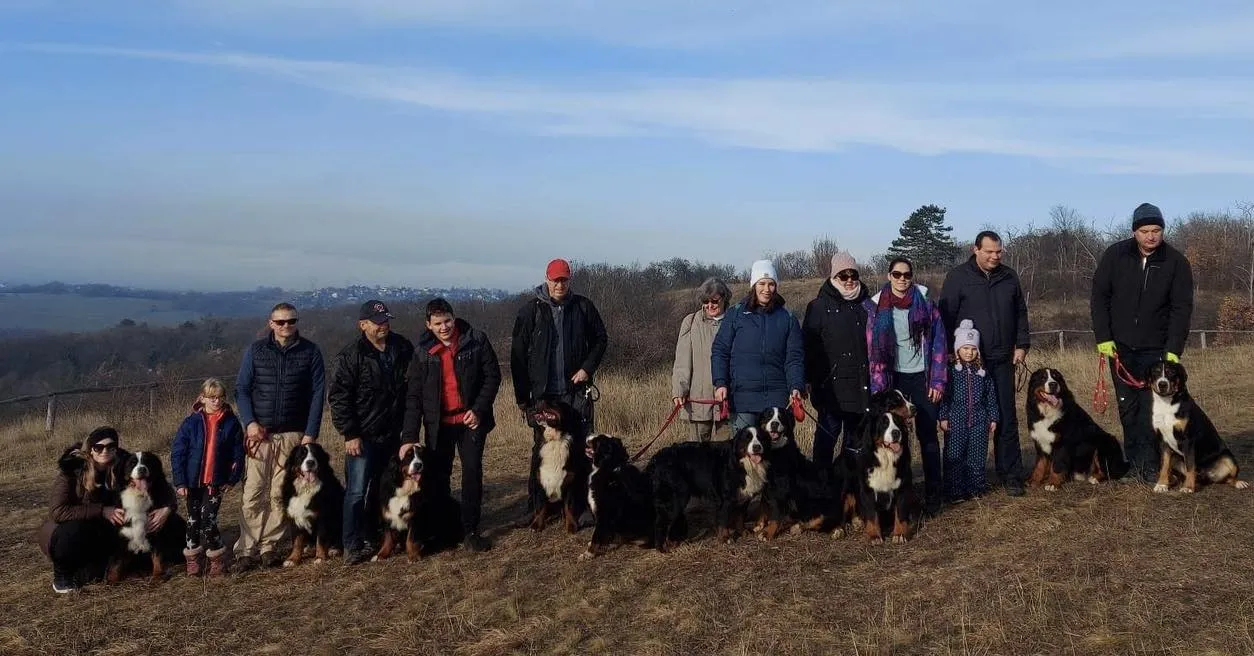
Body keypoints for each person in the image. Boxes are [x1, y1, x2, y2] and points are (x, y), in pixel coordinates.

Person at [1090, 202, 1194, 483]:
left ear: (1163, 230)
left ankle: (1154, 466)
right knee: (1128, 407)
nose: (1151, 236)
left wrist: (1173, 348)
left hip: (1156, 351)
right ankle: (1135, 464)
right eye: (1145, 230)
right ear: (1135, 232)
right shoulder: (1115, 256)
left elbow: (1181, 308)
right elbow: (1099, 297)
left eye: (1156, 230)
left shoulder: (1175, 262)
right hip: (1120, 348)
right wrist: (1104, 338)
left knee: (1152, 410)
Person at [232, 302, 326, 572]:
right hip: (259, 434)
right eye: (281, 322)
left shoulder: (311, 352)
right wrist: (249, 423)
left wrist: (310, 434)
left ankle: (269, 547)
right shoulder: (256, 350)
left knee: (277, 494)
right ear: (271, 323)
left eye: (291, 321)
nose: (287, 326)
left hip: (293, 434)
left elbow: (318, 394)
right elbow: (241, 389)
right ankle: (246, 549)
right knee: (252, 493)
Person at [511, 258, 607, 520]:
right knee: (540, 451)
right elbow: (517, 355)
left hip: (575, 391)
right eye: (555, 280)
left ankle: (583, 507)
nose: (559, 284)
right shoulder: (530, 311)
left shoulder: (583, 307)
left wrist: (587, 368)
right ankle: (536, 507)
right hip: (543, 396)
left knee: (581, 448)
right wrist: (523, 399)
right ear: (547, 279)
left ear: (569, 280)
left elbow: (601, 339)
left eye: (564, 279)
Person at [403, 298, 501, 552]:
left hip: (471, 421)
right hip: (438, 425)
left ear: (454, 318)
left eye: (447, 320)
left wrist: (478, 409)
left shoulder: (475, 340)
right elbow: (413, 396)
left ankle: (470, 530)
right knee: (437, 477)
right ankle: (443, 529)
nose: (444, 327)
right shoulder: (422, 352)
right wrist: (410, 436)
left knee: (471, 473)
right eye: (438, 323)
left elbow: (492, 376)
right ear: (429, 325)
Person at [938, 231, 1030, 497]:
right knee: (961, 417)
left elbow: (1020, 312)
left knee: (1005, 417)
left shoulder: (1009, 276)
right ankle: (958, 475)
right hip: (968, 360)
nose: (995, 256)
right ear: (975, 249)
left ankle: (1011, 474)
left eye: (999, 251)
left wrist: (1021, 344)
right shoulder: (958, 277)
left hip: (1002, 358)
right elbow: (945, 316)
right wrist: (946, 353)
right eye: (989, 251)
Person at [37, 427, 177, 592]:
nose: (105, 451)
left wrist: (167, 508)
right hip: (67, 531)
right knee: (75, 531)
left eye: (111, 446)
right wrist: (102, 510)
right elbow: (58, 511)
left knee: (99, 572)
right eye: (99, 447)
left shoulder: (125, 463)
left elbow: (161, 485)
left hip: (104, 529)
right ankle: (62, 577)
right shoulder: (72, 469)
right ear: (90, 449)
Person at [329, 300, 415, 565]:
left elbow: (412, 387)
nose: (383, 326)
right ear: (363, 325)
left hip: (395, 434)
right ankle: (352, 543)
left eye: (386, 320)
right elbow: (339, 398)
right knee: (356, 491)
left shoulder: (402, 347)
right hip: (363, 436)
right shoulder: (350, 356)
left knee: (385, 487)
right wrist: (350, 433)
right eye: (377, 322)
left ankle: (379, 534)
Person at [869, 257, 949, 516]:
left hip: (922, 378)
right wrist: (879, 387)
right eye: (897, 274)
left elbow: (939, 342)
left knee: (928, 437)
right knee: (895, 441)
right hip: (895, 380)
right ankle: (902, 494)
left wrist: (937, 380)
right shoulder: (876, 307)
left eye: (907, 274)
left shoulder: (925, 303)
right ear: (889, 276)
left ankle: (934, 494)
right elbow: (873, 351)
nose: (902, 279)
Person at [711, 260, 805, 432]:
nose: (766, 289)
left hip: (776, 400)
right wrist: (720, 383)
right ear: (754, 285)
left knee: (775, 455)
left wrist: (796, 386)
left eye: (771, 284)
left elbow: (794, 358)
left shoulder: (788, 318)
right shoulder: (735, 314)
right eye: (762, 283)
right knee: (746, 454)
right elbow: (720, 351)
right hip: (742, 400)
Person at [803, 251, 874, 464]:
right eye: (844, 276)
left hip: (860, 388)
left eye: (854, 275)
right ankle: (819, 491)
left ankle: (848, 492)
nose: (850, 280)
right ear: (834, 277)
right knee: (824, 447)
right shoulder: (818, 307)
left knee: (853, 451)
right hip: (830, 390)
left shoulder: (867, 305)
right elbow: (808, 346)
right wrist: (809, 380)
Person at [171, 378, 246, 577]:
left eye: (220, 397)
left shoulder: (231, 422)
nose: (216, 401)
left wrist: (232, 478)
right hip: (192, 482)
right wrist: (179, 481)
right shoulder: (191, 423)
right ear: (202, 398)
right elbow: (178, 452)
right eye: (212, 397)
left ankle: (216, 557)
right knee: (193, 521)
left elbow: (238, 453)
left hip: (216, 481)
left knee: (208, 520)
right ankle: (193, 558)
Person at [938, 320, 1000, 504]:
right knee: (954, 456)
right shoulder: (950, 372)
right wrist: (943, 416)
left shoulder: (982, 373)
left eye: (973, 349)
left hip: (979, 421)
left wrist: (993, 417)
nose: (969, 352)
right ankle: (955, 491)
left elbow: (991, 397)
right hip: (956, 420)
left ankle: (975, 488)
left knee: (977, 456)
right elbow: (944, 397)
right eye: (965, 348)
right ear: (958, 349)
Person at [671, 277, 732, 442]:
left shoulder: (735, 321)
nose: (710, 305)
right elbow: (682, 361)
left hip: (728, 399)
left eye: (714, 301)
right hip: (698, 399)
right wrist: (679, 389)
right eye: (705, 301)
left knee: (725, 455)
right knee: (697, 457)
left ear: (724, 299)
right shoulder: (690, 322)